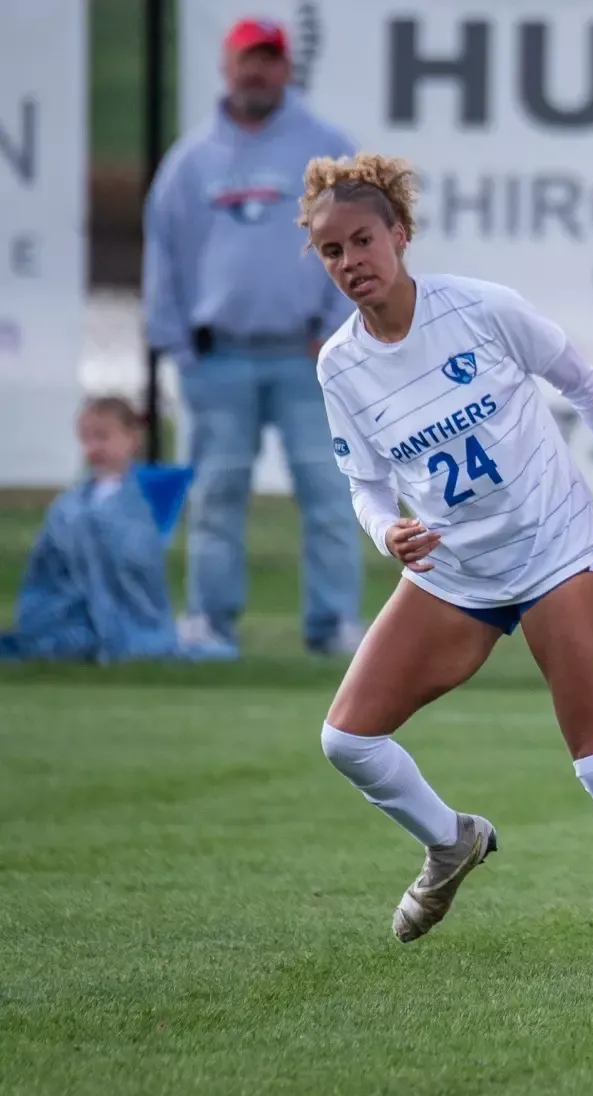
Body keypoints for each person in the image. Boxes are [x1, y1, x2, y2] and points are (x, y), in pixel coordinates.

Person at [301, 154, 593, 966]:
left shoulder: (479, 308)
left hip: (553, 549)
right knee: (347, 741)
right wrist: (387, 532)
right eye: (332, 251)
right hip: (454, 572)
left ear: (400, 233)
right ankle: (452, 840)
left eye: (363, 240)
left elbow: (582, 383)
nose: (351, 262)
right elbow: (365, 481)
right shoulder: (339, 363)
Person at [143, 18, 363, 656]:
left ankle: (334, 627)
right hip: (219, 358)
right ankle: (210, 625)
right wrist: (177, 347)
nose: (258, 72)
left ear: (286, 68)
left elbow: (359, 239)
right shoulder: (190, 162)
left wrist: (333, 330)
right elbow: (164, 256)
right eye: (248, 60)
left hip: (306, 355)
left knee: (329, 493)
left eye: (270, 60)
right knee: (216, 497)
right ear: (227, 65)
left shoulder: (326, 149)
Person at [0, 398, 186, 663]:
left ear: (131, 438)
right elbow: (46, 566)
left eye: (103, 437)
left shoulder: (145, 499)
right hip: (73, 614)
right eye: (87, 438)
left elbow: (142, 560)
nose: (94, 447)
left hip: (133, 619)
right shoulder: (69, 504)